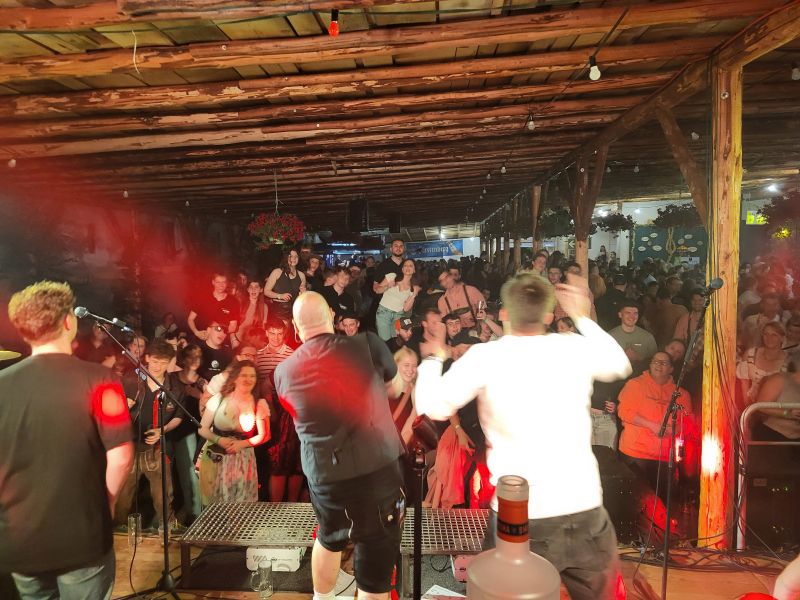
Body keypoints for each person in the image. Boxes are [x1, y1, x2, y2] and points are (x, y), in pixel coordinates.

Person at [415, 273, 631, 600]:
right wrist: (582, 316)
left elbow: (433, 406)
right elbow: (619, 364)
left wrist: (433, 357)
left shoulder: (486, 357)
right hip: (583, 506)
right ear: (549, 316)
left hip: (519, 516)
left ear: (503, 313)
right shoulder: (572, 346)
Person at [1, 281, 133, 599]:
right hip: (82, 536)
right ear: (68, 322)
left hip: (20, 538)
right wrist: (106, 503)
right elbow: (121, 456)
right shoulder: (101, 380)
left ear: (23, 330)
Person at [274, 292, 405, 600]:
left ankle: (322, 598)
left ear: (296, 328)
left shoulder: (283, 372)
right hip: (375, 470)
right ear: (332, 315)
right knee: (375, 546)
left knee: (329, 537)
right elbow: (395, 388)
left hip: (325, 477)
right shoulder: (368, 344)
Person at [114, 339, 185, 530]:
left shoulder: (175, 388)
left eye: (163, 362)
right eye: (154, 361)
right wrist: (122, 406)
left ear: (170, 362)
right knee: (124, 494)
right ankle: (119, 528)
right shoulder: (131, 381)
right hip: (130, 446)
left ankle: (167, 528)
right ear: (147, 358)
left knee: (163, 495)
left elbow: (179, 416)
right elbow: (109, 408)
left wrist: (162, 430)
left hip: (157, 448)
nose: (157, 366)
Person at [618, 351, 691, 499]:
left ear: (671, 369)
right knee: (635, 499)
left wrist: (673, 429)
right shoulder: (635, 385)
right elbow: (624, 412)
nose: (658, 365)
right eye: (655, 361)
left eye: (664, 363)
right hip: (635, 453)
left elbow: (688, 424)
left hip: (665, 457)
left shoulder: (681, 394)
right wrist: (652, 426)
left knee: (661, 501)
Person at [198, 360, 270, 505]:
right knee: (217, 503)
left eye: (252, 376)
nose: (248, 379)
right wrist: (219, 440)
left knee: (241, 503)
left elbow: (265, 435)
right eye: (244, 375)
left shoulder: (259, 403)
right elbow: (202, 428)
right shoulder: (219, 399)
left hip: (243, 460)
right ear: (235, 377)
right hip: (217, 457)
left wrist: (241, 444)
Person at [737, 322, 789, 407]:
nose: (769, 338)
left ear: (782, 338)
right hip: (749, 405)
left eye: (774, 335)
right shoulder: (750, 354)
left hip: (777, 406)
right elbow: (743, 384)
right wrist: (748, 407)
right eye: (766, 334)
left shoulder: (789, 361)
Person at [187, 272, 239, 346]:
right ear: (213, 282)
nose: (221, 285)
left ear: (227, 283)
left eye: (223, 282)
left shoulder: (233, 301)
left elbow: (233, 326)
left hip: (219, 342)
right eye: (218, 282)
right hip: (200, 339)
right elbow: (190, 319)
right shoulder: (203, 297)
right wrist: (196, 332)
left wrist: (217, 334)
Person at [609, 300, 658, 375]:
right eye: (628, 313)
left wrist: (638, 358)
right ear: (620, 315)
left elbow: (656, 362)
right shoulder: (610, 336)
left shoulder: (647, 337)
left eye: (635, 313)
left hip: (640, 377)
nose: (632, 317)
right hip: (615, 376)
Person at [376, 258, 420, 340]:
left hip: (398, 316)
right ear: (402, 269)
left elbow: (406, 308)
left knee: (396, 340)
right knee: (385, 340)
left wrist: (414, 294)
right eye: (405, 265)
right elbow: (377, 290)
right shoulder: (392, 276)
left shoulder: (413, 287)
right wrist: (387, 286)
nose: (408, 267)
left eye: (410, 266)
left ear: (414, 270)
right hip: (383, 313)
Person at [264, 248, 307, 325]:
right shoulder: (277, 272)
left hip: (294, 311)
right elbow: (266, 291)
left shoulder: (301, 275)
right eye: (291, 256)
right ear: (286, 257)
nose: (294, 258)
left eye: (296, 256)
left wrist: (303, 294)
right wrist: (280, 296)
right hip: (278, 311)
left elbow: (301, 295)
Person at [236, 280, 269, 345]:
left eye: (256, 287)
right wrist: (234, 340)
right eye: (251, 287)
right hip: (236, 340)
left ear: (261, 290)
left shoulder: (264, 307)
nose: (253, 290)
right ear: (248, 289)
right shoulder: (240, 303)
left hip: (252, 342)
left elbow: (263, 327)